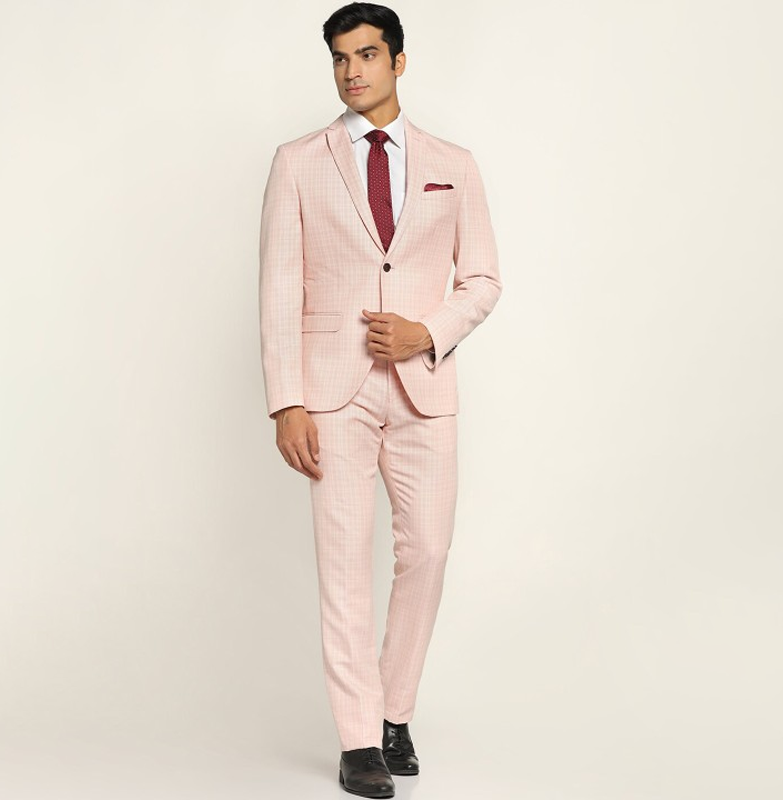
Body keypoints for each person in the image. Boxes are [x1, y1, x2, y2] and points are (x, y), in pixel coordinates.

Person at [258, 3, 502, 796]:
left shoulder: (454, 163)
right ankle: (360, 739)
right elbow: (279, 288)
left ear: (399, 61)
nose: (351, 71)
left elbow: (482, 280)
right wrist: (286, 401)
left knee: (427, 551)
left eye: (366, 55)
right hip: (331, 394)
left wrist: (427, 331)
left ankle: (395, 711)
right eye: (340, 58)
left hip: (424, 389)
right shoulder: (298, 161)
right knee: (343, 565)